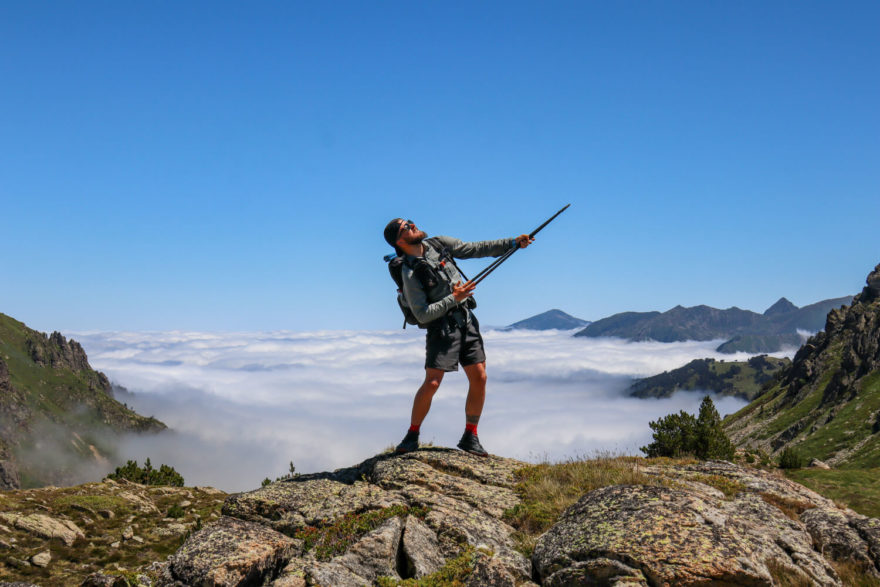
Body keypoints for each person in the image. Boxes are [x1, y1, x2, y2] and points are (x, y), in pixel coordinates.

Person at [383, 218, 533, 456]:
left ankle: (470, 436)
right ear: (400, 241)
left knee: (480, 377)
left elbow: (474, 248)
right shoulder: (410, 273)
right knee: (432, 382)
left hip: (466, 319)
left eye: (411, 222)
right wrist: (455, 298)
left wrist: (512, 243)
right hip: (442, 328)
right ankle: (412, 435)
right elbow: (422, 315)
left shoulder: (438, 244)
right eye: (406, 227)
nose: (413, 225)